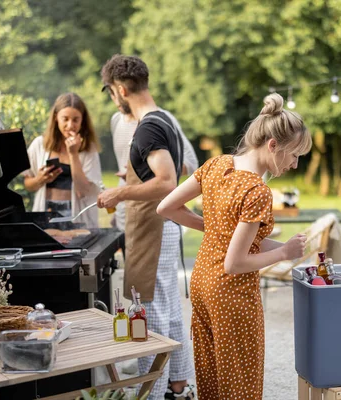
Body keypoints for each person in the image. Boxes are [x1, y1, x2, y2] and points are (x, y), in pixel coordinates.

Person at [157, 93, 312, 399]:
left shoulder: (217, 165)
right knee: (240, 380)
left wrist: (214, 227)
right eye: (294, 155)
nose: (295, 164)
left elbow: (166, 207)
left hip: (202, 285)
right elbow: (235, 263)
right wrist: (283, 253)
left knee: (212, 375)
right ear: (272, 145)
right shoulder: (257, 191)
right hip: (231, 293)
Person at [97, 54, 195, 400]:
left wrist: (120, 192)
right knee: (164, 314)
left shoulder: (148, 127)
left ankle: (149, 395)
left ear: (121, 89)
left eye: (110, 92)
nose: (113, 98)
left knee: (149, 320)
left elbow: (168, 181)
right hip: (161, 229)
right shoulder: (163, 121)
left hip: (152, 233)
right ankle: (177, 387)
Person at [109, 106, 198, 230]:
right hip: (124, 215)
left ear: (121, 90)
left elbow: (191, 163)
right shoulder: (116, 119)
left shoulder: (158, 121)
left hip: (154, 219)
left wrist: (145, 171)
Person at [24, 93, 102, 228]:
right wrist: (39, 179)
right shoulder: (40, 144)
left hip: (77, 217)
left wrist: (73, 154)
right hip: (45, 214)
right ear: (56, 118)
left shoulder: (88, 149)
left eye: (76, 120)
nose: (70, 125)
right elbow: (28, 184)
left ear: (82, 120)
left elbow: (83, 191)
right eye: (65, 119)